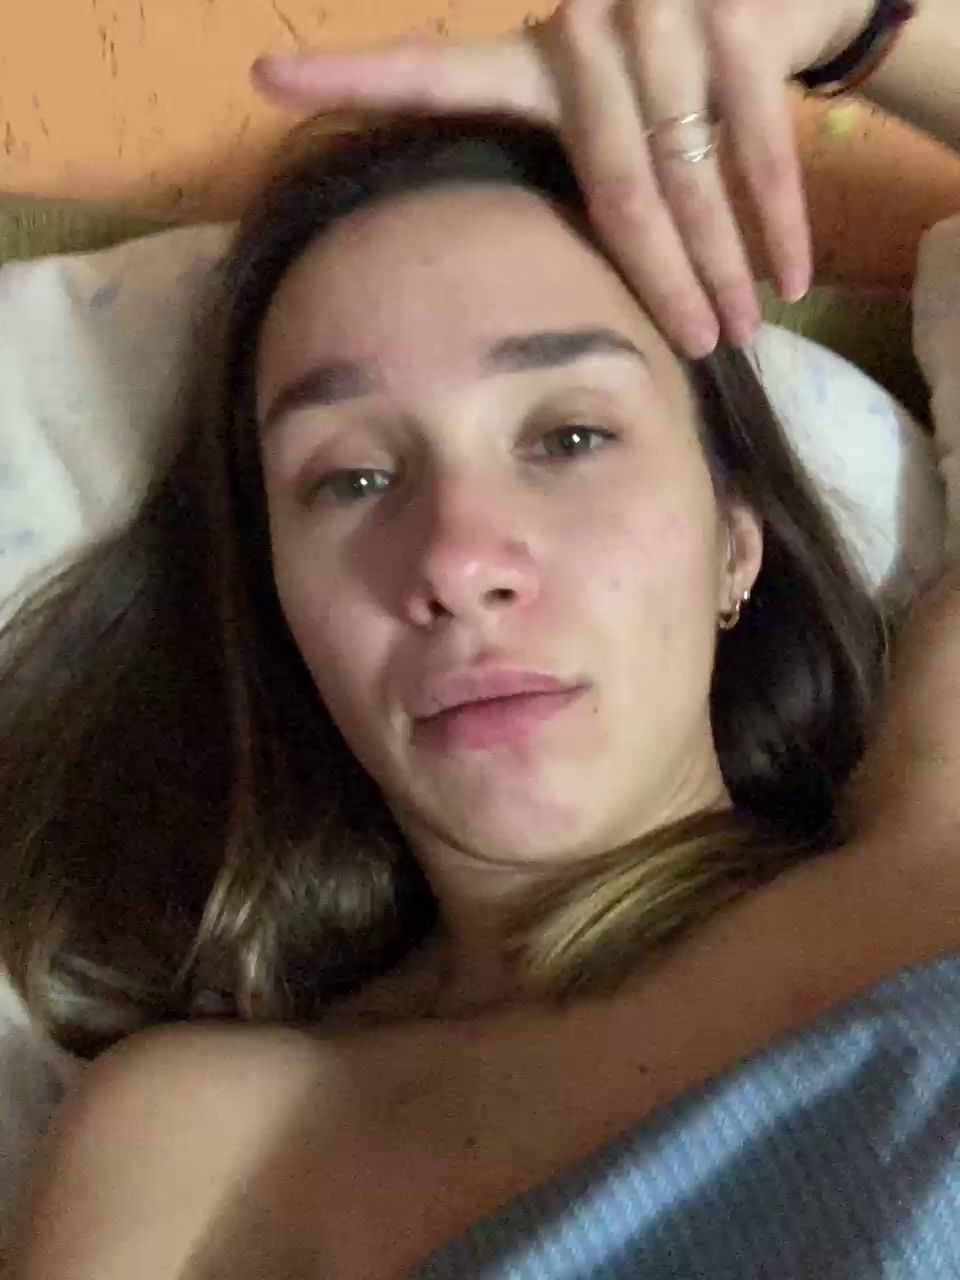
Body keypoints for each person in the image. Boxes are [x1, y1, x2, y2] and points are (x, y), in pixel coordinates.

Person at [2, 1, 960, 1276]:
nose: (455, 562)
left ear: (736, 543)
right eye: (351, 479)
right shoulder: (202, 1151)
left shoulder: (939, 831)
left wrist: (864, 19)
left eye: (568, 437)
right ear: (282, 613)